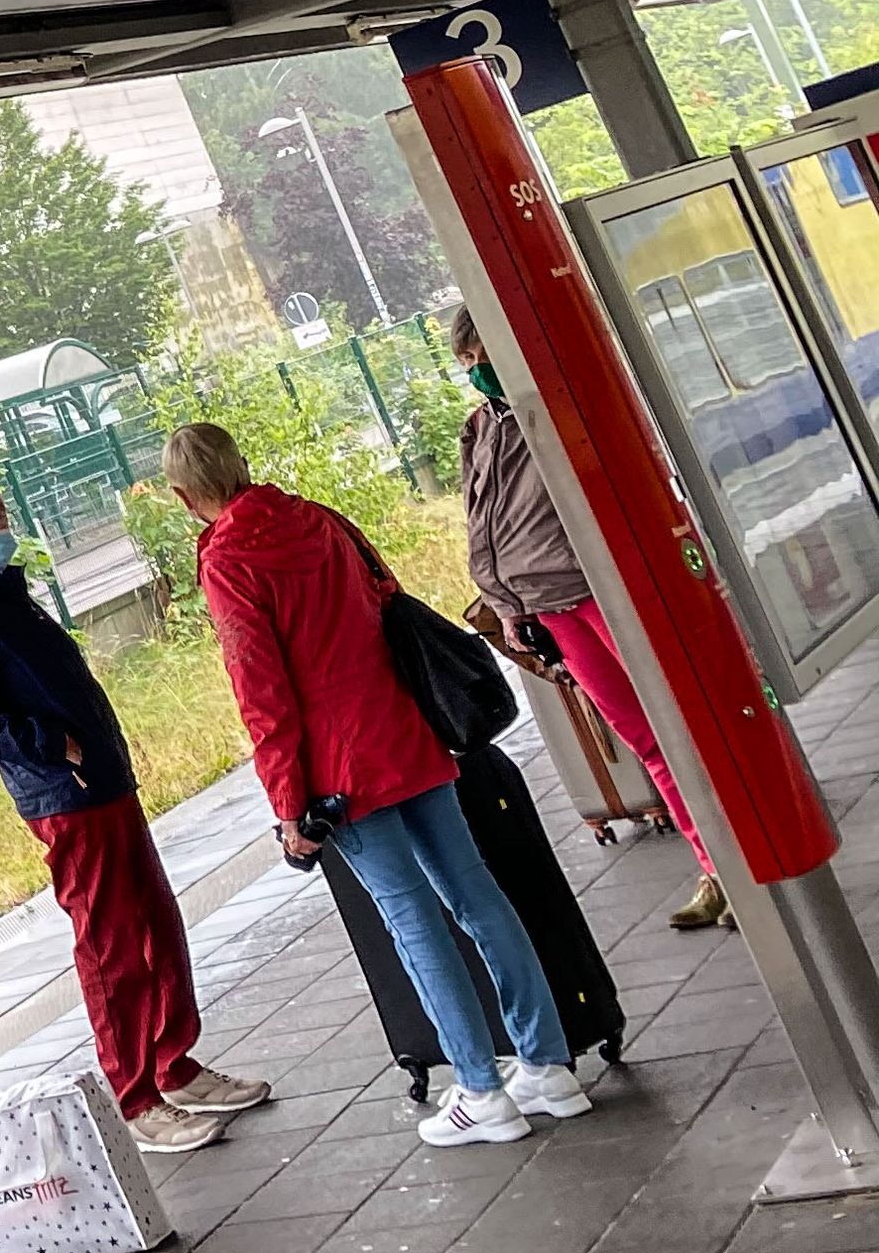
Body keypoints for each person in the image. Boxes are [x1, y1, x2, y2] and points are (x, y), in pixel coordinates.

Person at [170, 420, 591, 1145]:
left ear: (184, 497)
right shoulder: (320, 519)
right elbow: (383, 597)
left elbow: (260, 691)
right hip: (409, 735)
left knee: (413, 922)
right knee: (477, 895)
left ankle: (481, 1092)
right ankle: (549, 1065)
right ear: (240, 464)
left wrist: (288, 806)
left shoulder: (228, 561)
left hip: (342, 772)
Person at [0, 475, 268, 1155]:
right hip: (64, 794)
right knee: (111, 944)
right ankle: (136, 1096)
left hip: (101, 781)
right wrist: (56, 747)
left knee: (156, 922)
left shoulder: (4, 591)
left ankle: (176, 1063)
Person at [451, 306, 729, 929]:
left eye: (484, 356)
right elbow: (483, 527)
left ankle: (740, 852)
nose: (477, 372)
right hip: (548, 607)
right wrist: (508, 606)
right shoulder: (480, 430)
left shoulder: (547, 413)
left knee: (685, 720)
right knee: (645, 739)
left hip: (599, 591)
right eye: (467, 363)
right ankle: (712, 866)